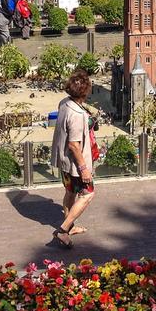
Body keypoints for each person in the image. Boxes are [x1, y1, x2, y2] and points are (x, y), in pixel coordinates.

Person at [49, 69, 96, 249]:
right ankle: (63, 230)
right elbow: (74, 145)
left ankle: (69, 226)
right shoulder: (77, 114)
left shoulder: (64, 102)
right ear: (86, 91)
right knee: (88, 194)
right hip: (76, 164)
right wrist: (84, 169)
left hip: (63, 161)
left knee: (70, 192)